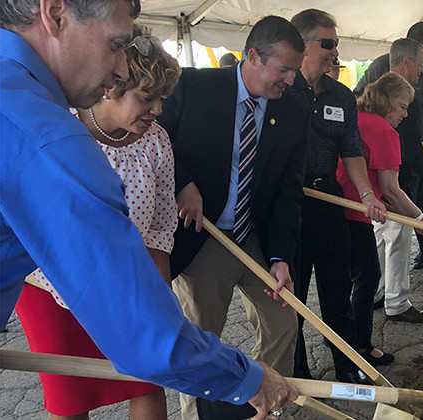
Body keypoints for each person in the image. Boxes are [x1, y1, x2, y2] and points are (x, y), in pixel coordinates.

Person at [0, 1, 296, 418]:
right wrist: (247, 378)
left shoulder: (24, 101)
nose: (121, 69)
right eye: (117, 44)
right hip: (62, 296)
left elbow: (154, 245)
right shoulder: (51, 138)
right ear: (55, 14)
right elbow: (139, 333)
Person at [15, 25, 179, 420]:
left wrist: (161, 304)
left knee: (148, 383)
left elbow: (159, 230)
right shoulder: (60, 127)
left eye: (161, 99)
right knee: (71, 397)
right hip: (50, 287)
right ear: (111, 86)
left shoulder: (156, 141)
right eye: (147, 98)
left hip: (128, 285)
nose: (157, 110)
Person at [158, 15, 308, 419]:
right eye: (284, 69)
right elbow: (153, 137)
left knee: (283, 323)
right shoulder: (193, 87)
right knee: (199, 341)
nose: (291, 80)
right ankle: (196, 415)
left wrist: (280, 257)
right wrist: (182, 183)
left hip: (253, 238)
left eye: (295, 70)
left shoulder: (293, 113)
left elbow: (287, 192)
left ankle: (264, 408)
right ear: (253, 57)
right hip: (202, 237)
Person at [287, 8, 387, 384]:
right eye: (327, 44)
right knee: (292, 295)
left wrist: (366, 194)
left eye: (336, 44)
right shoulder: (281, 89)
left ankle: (346, 365)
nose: (335, 52)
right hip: (289, 204)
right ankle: (297, 372)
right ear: (303, 45)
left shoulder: (342, 96)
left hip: (329, 200)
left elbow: (352, 150)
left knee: (337, 288)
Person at [354, 22, 423, 291]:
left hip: (412, 153)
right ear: (407, 58)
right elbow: (361, 102)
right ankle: (389, 295)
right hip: (393, 157)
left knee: (417, 214)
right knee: (397, 228)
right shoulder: (380, 70)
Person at [338, 71, 423, 366]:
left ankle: (347, 346)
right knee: (367, 278)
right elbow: (392, 190)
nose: (406, 114)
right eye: (403, 106)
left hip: (336, 208)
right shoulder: (382, 130)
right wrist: (422, 221)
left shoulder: (355, 116)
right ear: (387, 101)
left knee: (344, 282)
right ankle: (361, 347)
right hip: (354, 211)